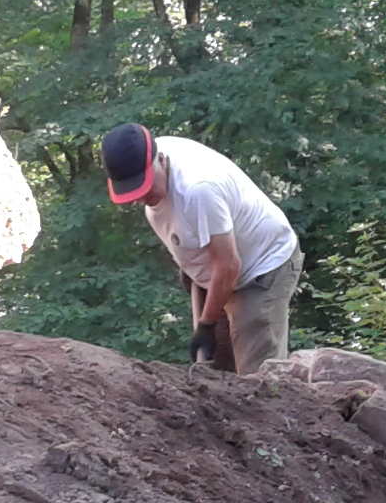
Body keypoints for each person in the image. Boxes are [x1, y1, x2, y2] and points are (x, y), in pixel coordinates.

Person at [101, 123, 302, 372]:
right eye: (132, 191)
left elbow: (229, 265)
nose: (140, 198)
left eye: (145, 186)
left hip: (261, 267)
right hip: (217, 269)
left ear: (160, 160)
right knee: (217, 370)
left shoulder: (199, 189)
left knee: (257, 377)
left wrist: (206, 325)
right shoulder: (142, 154)